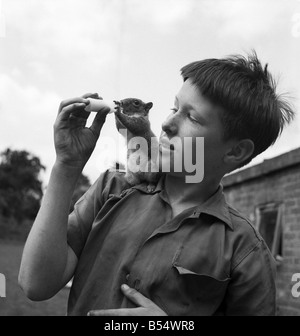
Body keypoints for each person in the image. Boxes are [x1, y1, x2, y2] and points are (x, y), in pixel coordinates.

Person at [19, 52, 294, 316]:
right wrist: (66, 166)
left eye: (192, 117)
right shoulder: (111, 189)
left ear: (235, 152)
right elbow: (35, 284)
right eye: (175, 108)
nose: (166, 123)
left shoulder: (244, 248)